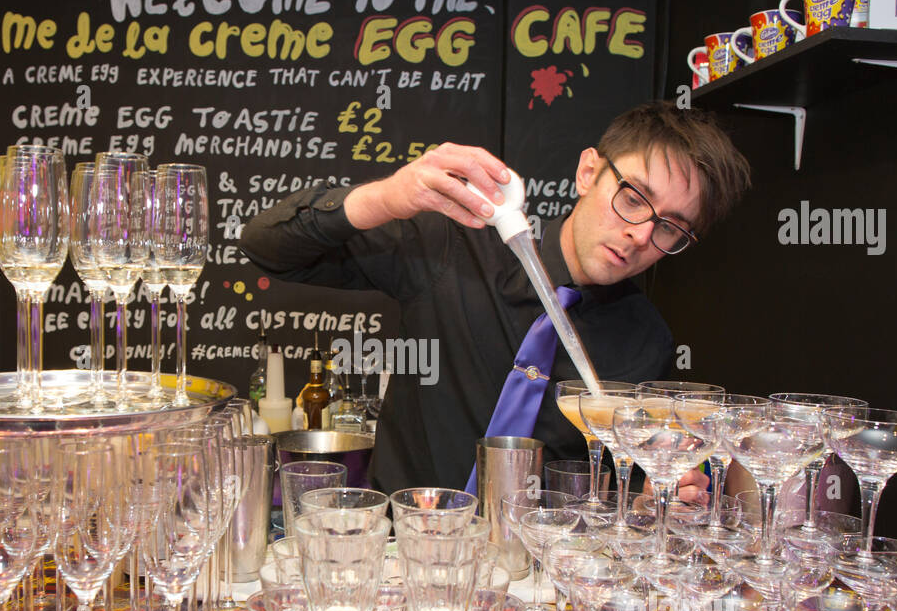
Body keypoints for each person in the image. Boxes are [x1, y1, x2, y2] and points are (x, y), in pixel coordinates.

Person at [240, 101, 751, 496]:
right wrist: (387, 196)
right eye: (634, 198)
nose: (641, 234)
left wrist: (654, 497)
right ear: (589, 173)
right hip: (404, 557)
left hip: (535, 588)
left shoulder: (645, 341)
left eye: (670, 228)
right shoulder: (453, 248)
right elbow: (265, 247)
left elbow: (623, 489)